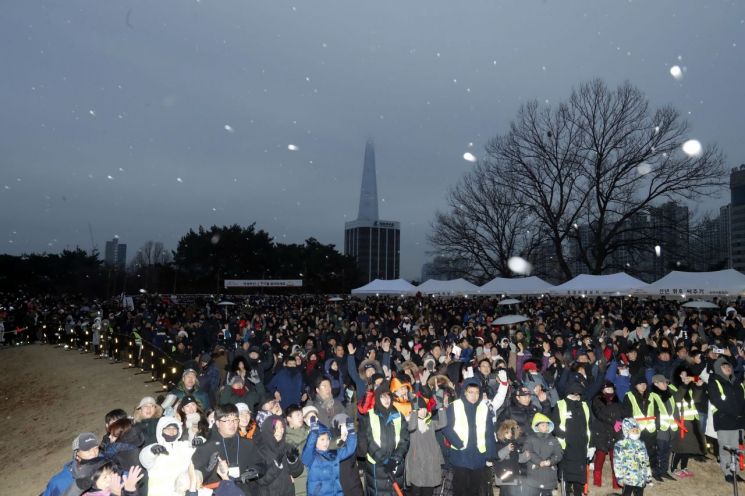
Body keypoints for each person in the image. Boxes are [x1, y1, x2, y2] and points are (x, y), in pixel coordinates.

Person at [192, 403, 267, 495]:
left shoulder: (248, 444)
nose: (232, 424)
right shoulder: (206, 448)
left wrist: (253, 471)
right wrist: (207, 469)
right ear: (218, 423)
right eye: (227, 420)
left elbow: (262, 464)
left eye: (235, 420)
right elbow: (194, 478)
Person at [441, 377, 496, 496]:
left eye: (476, 392)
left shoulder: (484, 408)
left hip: (479, 456)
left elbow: (489, 432)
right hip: (461, 455)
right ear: (465, 392)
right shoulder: (454, 406)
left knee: (475, 490)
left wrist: (490, 454)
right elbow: (446, 426)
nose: (474, 396)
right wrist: (457, 442)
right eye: (471, 392)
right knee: (460, 490)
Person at [363, 382, 410, 496]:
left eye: (388, 395)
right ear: (377, 399)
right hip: (377, 467)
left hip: (395, 466)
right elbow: (368, 441)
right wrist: (384, 460)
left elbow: (405, 439)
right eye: (382, 396)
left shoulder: (398, 415)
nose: (386, 399)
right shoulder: (369, 416)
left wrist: (394, 459)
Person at [707, 356, 745, 483]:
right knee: (726, 449)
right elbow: (717, 401)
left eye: (728, 366)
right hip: (724, 421)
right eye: (724, 367)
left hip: (739, 421)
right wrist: (735, 412)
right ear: (718, 369)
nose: (728, 368)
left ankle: (736, 472)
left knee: (738, 449)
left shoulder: (738, 382)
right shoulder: (714, 381)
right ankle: (728, 473)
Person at [139, 416, 198, 495]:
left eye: (174, 429)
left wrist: (200, 440)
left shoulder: (184, 446)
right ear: (161, 430)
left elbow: (198, 452)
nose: (171, 431)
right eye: (168, 429)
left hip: (181, 491)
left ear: (179, 431)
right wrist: (151, 451)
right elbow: (144, 460)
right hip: (160, 492)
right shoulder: (157, 448)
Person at [551, 382, 591, 496]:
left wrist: (591, 445)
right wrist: (562, 434)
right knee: (566, 476)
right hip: (565, 447)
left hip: (581, 447)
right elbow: (554, 424)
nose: (576, 397)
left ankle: (578, 493)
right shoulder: (560, 405)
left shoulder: (584, 406)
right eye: (573, 394)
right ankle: (566, 493)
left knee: (579, 477)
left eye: (578, 395)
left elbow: (590, 425)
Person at [302, 418, 358, 496]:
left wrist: (351, 433)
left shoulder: (333, 454)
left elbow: (349, 450)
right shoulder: (311, 457)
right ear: (315, 440)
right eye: (322, 439)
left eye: (328, 439)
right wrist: (313, 433)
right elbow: (308, 448)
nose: (326, 442)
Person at [404, 394, 446, 496]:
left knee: (428, 491)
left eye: (424, 409)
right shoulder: (409, 421)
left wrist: (440, 407)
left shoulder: (429, 423)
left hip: (430, 463)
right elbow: (412, 427)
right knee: (416, 491)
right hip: (416, 463)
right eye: (419, 409)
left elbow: (443, 423)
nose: (422, 412)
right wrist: (414, 411)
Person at [669, 366, 705, 477]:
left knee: (688, 446)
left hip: (691, 420)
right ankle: (674, 468)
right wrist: (684, 384)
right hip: (681, 421)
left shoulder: (689, 388)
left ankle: (684, 467)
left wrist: (699, 387)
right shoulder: (671, 387)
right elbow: (678, 398)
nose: (685, 377)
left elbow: (696, 399)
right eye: (682, 375)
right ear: (677, 376)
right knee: (679, 447)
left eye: (686, 375)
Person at [255, 415, 304, 496]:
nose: (280, 431)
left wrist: (293, 462)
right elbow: (261, 480)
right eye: (276, 428)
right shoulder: (260, 450)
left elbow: (297, 473)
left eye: (282, 427)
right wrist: (276, 466)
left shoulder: (288, 447)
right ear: (268, 429)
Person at [590, 381, 623, 490]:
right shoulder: (597, 400)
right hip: (602, 432)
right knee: (600, 458)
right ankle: (597, 481)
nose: (610, 391)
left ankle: (616, 483)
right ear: (603, 390)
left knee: (615, 459)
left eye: (611, 389)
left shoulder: (617, 400)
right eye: (607, 389)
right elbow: (599, 414)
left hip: (615, 432)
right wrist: (613, 422)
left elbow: (621, 413)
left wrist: (621, 422)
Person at [522, 413, 563, 496]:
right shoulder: (530, 439)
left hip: (549, 474)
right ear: (537, 426)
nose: (546, 427)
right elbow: (527, 451)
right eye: (543, 425)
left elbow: (559, 453)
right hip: (534, 474)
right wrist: (539, 461)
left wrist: (550, 461)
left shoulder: (553, 439)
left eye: (547, 425)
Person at [648, 374, 678, 481]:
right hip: (660, 429)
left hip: (669, 428)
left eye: (666, 382)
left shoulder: (669, 395)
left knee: (667, 451)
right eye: (663, 382)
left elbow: (673, 411)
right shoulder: (652, 395)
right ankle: (656, 472)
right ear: (655, 383)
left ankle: (664, 471)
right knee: (658, 452)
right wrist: (655, 427)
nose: (666, 384)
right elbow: (651, 412)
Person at [613, 418, 652, 496]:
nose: (636, 433)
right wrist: (619, 477)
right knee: (627, 493)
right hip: (628, 478)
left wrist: (648, 475)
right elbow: (617, 463)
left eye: (637, 431)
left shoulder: (641, 444)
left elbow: (646, 460)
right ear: (626, 431)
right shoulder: (621, 445)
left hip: (640, 478)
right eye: (633, 431)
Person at [493, 419, 529, 496]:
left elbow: (517, 459)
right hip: (504, 477)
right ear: (502, 432)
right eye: (507, 432)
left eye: (511, 432)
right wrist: (506, 449)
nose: (510, 434)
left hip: (514, 477)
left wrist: (526, 456)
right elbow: (497, 457)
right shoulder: (498, 444)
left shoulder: (513, 444)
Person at [285, 404, 310, 496]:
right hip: (299, 479)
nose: (301, 417)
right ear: (289, 418)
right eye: (297, 415)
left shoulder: (309, 431)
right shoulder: (286, 439)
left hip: (313, 477)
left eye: (301, 414)